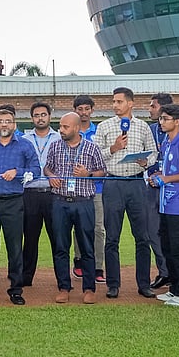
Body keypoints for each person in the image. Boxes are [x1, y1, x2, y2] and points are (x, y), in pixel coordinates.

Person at [94, 87, 158, 298]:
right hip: (113, 184)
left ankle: (143, 284)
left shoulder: (142, 127)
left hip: (137, 184)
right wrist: (113, 148)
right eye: (113, 101)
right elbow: (95, 157)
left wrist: (145, 161)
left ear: (130, 103)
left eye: (119, 101)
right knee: (112, 237)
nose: (115, 105)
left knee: (142, 237)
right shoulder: (104, 126)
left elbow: (154, 152)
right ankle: (113, 284)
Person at [0, 105, 40, 305]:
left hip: (13, 202)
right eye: (0, 121)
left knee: (14, 247)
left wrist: (17, 172)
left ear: (14, 124)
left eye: (8, 121)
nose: (4, 124)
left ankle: (16, 290)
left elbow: (35, 169)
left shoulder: (25, 145)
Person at [43, 111, 106, 304]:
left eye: (65, 127)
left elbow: (102, 172)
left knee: (87, 247)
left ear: (77, 128)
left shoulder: (91, 148)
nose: (61, 130)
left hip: (83, 203)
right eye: (61, 126)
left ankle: (89, 288)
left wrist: (88, 174)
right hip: (60, 202)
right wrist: (50, 175)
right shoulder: (54, 146)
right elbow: (47, 167)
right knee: (61, 247)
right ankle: (63, 287)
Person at [149, 105, 179, 307]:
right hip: (166, 204)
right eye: (161, 119)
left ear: (177, 121)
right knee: (168, 248)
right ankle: (175, 289)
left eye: (166, 119)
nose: (161, 122)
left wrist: (166, 179)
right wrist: (158, 177)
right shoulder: (167, 143)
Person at [144, 92, 179, 291]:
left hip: (176, 194)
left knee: (176, 238)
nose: (150, 110)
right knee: (155, 232)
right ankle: (165, 272)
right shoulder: (150, 129)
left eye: (153, 106)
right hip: (153, 188)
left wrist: (165, 176)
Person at [22, 102, 60, 288]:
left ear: (49, 116)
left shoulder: (59, 138)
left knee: (58, 237)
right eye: (36, 115)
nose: (40, 118)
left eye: (43, 114)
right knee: (30, 238)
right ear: (32, 118)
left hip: (53, 193)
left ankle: (62, 278)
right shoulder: (24, 139)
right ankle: (26, 278)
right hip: (30, 193)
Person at [72, 95, 105, 284]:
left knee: (99, 228)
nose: (83, 113)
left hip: (96, 187)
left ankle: (98, 266)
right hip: (75, 188)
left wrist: (89, 172)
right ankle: (79, 262)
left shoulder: (99, 132)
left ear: (92, 110)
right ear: (75, 110)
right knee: (79, 226)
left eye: (87, 109)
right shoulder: (70, 131)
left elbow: (102, 161)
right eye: (80, 109)